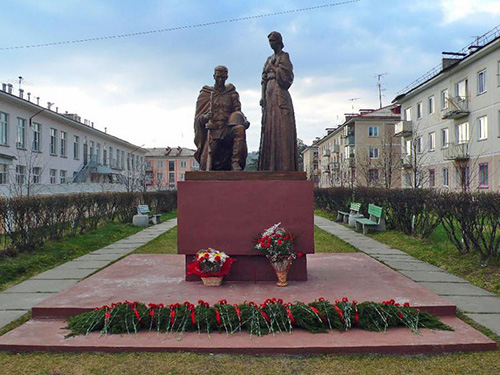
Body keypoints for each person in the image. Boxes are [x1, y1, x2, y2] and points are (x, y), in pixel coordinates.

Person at [194, 65, 249, 171]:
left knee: (240, 129)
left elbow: (237, 112)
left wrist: (244, 120)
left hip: (227, 129)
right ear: (214, 76)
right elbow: (198, 119)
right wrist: (205, 117)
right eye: (218, 77)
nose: (220, 80)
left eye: (223, 77)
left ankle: (235, 162)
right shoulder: (206, 94)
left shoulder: (232, 94)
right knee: (205, 165)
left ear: (226, 77)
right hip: (213, 131)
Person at [258, 31, 298, 171]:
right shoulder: (268, 59)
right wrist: (263, 96)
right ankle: (269, 166)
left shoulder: (284, 56)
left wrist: (274, 68)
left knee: (282, 130)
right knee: (269, 130)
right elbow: (263, 79)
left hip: (280, 96)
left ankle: (284, 167)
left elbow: (287, 79)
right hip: (269, 99)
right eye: (269, 41)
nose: (271, 43)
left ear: (279, 41)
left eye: (273, 40)